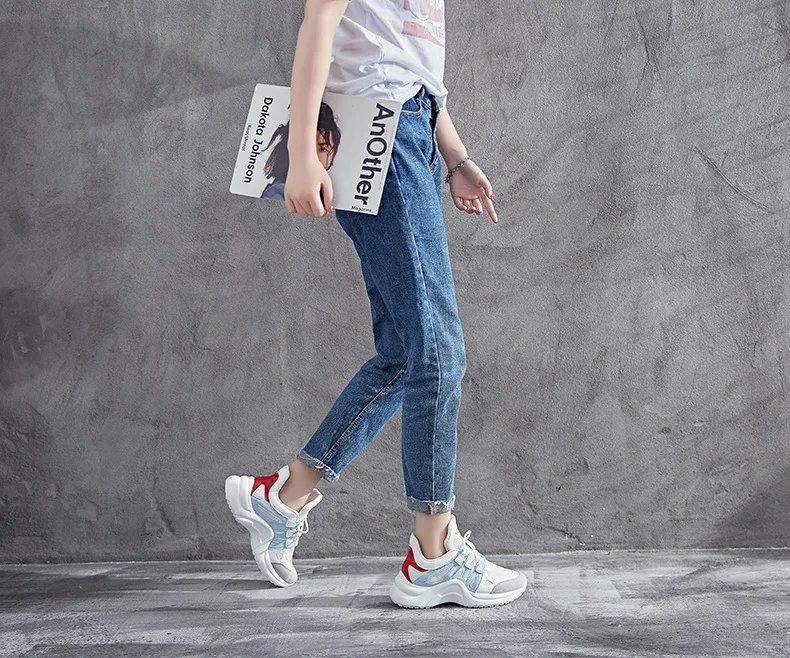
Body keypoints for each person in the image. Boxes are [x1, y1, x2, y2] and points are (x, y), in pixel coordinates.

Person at [225, 0, 527, 608]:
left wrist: (455, 156)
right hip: (377, 142)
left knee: (405, 355)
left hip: (410, 130)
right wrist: (304, 153)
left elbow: (410, 65)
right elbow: (319, 22)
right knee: (438, 354)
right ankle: (432, 556)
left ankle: (281, 498)